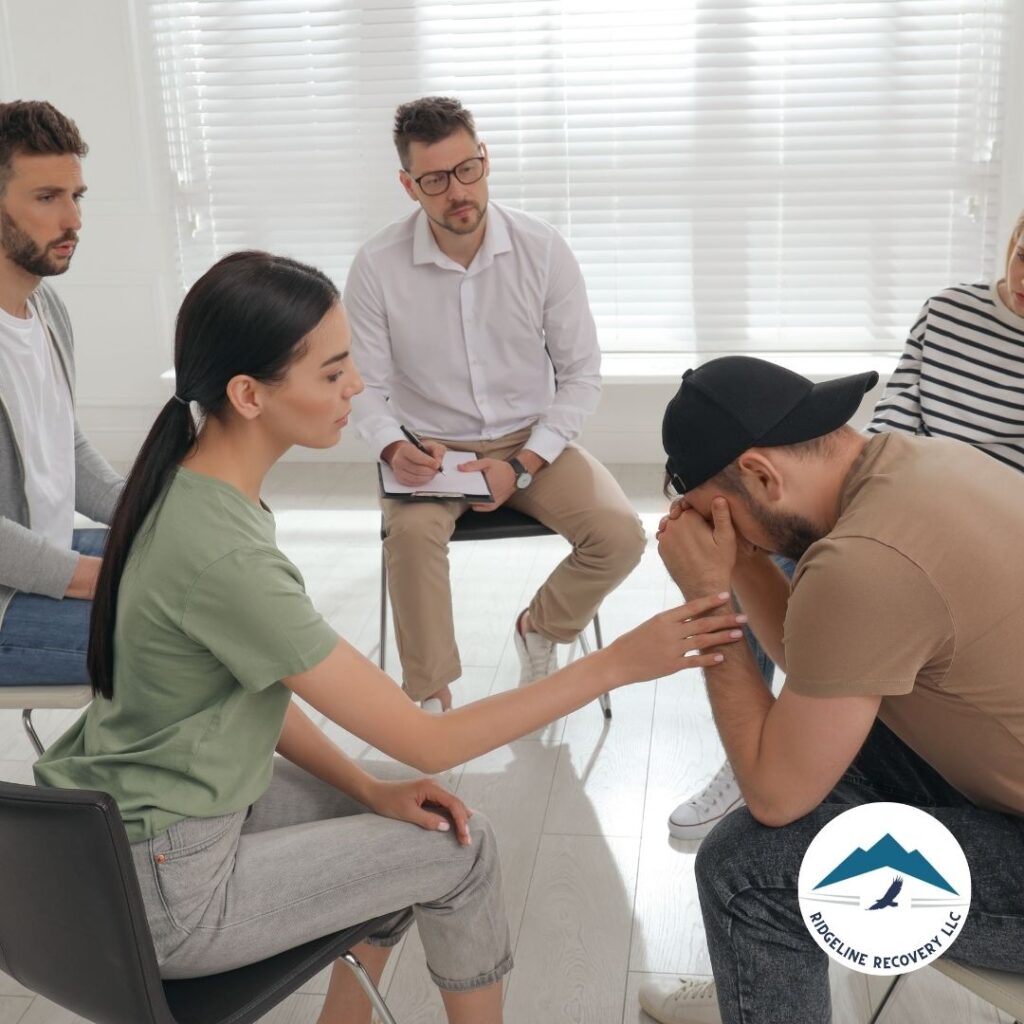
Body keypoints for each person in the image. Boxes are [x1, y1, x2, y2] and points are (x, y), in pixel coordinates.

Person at [33, 251, 745, 1024]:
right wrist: (612, 665)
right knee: (462, 852)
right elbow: (427, 742)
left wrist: (370, 789)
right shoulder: (225, 551)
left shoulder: (190, 492)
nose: (358, 388)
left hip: (135, 835)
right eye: (334, 373)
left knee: (413, 818)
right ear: (249, 394)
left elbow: (259, 688)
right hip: (173, 884)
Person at [638, 356, 1024, 1024]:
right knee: (824, 735)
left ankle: (758, 956)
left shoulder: (865, 562)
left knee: (748, 875)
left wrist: (707, 595)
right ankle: (758, 981)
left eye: (715, 515)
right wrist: (745, 557)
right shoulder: (918, 465)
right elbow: (823, 658)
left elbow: (775, 793)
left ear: (760, 473)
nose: (714, 531)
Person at [345, 96, 646, 712]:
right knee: (409, 538)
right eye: (434, 179)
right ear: (409, 185)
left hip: (530, 441)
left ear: (484, 159)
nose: (457, 191)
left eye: (467, 170)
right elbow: (363, 387)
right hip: (428, 449)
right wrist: (393, 446)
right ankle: (430, 703)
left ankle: (541, 627)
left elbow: (582, 375)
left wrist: (524, 464)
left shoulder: (542, 249)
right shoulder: (376, 265)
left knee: (621, 535)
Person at [0, 100, 122, 683]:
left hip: (49, 552)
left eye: (77, 196)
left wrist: (152, 510)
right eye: (47, 198)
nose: (72, 219)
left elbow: (63, 446)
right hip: (5, 597)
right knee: (183, 639)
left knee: (213, 574)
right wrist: (96, 577)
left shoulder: (46, 307)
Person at [867, 209, 1024, 468]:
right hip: (918, 477)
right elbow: (897, 410)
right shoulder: (945, 309)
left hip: (1004, 500)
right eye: (1022, 256)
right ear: (1013, 241)